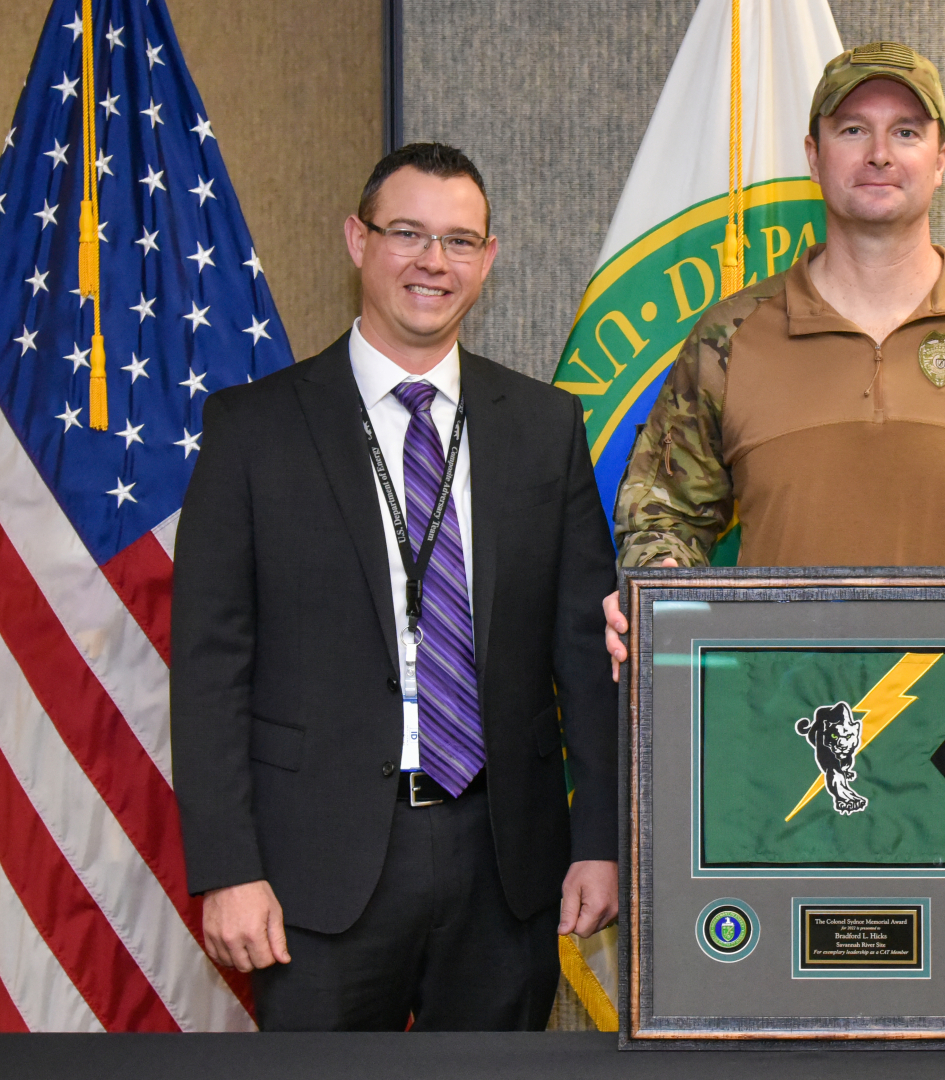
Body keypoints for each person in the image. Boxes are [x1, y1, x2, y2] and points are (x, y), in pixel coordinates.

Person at [171, 142, 618, 1031]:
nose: (432, 262)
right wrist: (228, 867)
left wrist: (600, 841)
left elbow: (587, 652)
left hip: (508, 869)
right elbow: (209, 665)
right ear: (357, 240)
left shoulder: (544, 427)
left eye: (459, 241)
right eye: (407, 233)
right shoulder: (253, 430)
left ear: (488, 259)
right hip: (315, 872)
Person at [604, 42, 945, 676]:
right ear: (814, 157)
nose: (880, 153)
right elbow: (662, 511)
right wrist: (659, 579)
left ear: (940, 161)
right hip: (781, 736)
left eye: (905, 132)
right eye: (853, 130)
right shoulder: (730, 338)